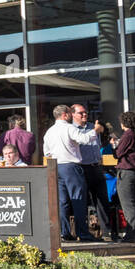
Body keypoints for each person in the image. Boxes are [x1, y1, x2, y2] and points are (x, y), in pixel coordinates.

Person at [43, 104, 91, 242]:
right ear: (64, 115)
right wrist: (96, 131)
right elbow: (84, 139)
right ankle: (83, 233)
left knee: (62, 202)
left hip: (55, 167)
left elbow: (47, 152)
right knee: (78, 199)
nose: (71, 116)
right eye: (69, 114)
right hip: (71, 166)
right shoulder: (69, 128)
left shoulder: (49, 131)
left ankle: (64, 233)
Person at [75, 104, 118, 242]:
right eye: (81, 113)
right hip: (82, 167)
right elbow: (81, 142)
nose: (84, 115)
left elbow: (98, 144)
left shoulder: (93, 126)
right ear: (73, 114)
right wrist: (95, 130)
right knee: (83, 201)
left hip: (96, 166)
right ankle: (84, 232)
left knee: (102, 200)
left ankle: (107, 232)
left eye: (85, 112)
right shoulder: (72, 129)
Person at [114, 111, 135, 243]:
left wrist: (113, 145)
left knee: (128, 204)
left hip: (126, 171)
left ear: (124, 122)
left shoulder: (127, 135)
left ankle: (131, 234)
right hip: (134, 172)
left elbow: (118, 153)